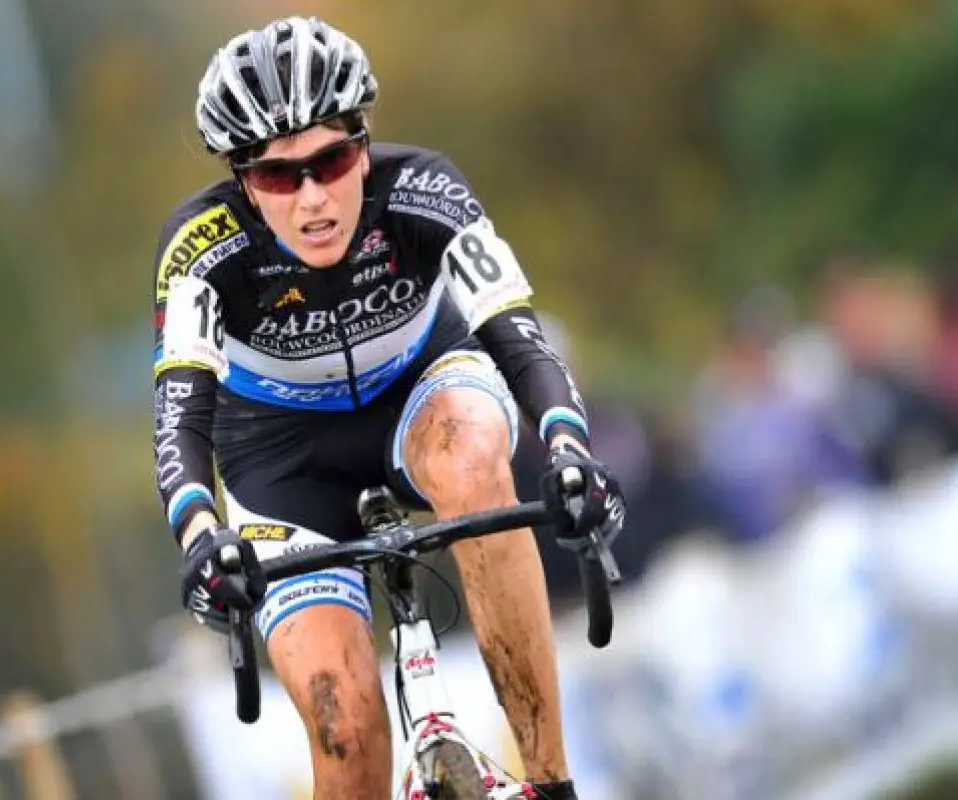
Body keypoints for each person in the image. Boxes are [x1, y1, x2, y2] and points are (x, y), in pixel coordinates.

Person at [151, 17, 625, 800]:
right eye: (277, 176)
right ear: (241, 180)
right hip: (279, 461)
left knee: (475, 463)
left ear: (363, 145)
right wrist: (202, 537)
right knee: (344, 732)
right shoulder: (200, 253)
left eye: (330, 161)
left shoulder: (423, 190)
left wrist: (569, 449)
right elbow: (179, 417)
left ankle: (551, 782)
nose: (311, 198)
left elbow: (519, 338)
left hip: (422, 394)